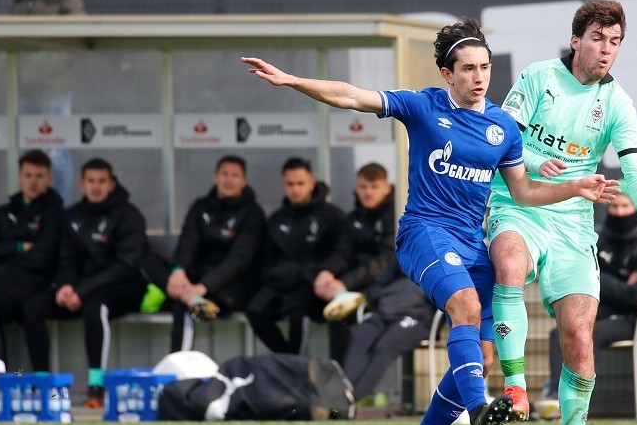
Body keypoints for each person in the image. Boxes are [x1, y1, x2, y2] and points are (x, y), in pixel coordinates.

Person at [242, 16, 618, 425]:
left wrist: (576, 187)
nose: (479, 78)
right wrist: (291, 80)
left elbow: (524, 192)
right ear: (448, 74)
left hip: (470, 242)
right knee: (464, 305)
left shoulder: (503, 126)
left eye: (485, 68)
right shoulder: (423, 106)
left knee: (482, 354)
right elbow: (351, 95)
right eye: (468, 69)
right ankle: (479, 412)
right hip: (423, 232)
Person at [486, 0, 637, 425]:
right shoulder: (539, 78)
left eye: (615, 41)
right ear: (576, 40)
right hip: (517, 203)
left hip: (573, 224)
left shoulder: (617, 103)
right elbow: (502, 135)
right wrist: (534, 164)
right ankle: (515, 386)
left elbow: (634, 170)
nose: (606, 49)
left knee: (578, 336)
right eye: (597, 38)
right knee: (510, 266)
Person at [29, 158, 149, 407]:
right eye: (91, 181)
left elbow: (124, 266)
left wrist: (81, 292)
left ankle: (96, 386)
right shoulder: (72, 216)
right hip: (80, 290)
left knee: (96, 306)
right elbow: (66, 259)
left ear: (111, 184)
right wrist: (65, 286)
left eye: (102, 181)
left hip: (124, 287)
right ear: (81, 184)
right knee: (32, 307)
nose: (96, 187)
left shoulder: (129, 215)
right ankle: (42, 384)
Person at [314, 162, 435, 403]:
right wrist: (371, 298)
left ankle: (346, 400)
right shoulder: (404, 238)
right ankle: (339, 394)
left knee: (384, 347)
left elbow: (439, 288)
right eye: (363, 186)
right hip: (382, 308)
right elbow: (383, 274)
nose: (368, 192)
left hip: (417, 316)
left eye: (374, 186)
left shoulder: (434, 245)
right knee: (360, 338)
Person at [540, 186, 637, 414]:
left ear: (635, 209)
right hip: (602, 310)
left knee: (585, 335)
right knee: (562, 330)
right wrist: (617, 281)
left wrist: (601, 279)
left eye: (625, 206)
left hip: (635, 321)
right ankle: (554, 394)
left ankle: (576, 403)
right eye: (614, 206)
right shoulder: (599, 240)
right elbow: (582, 277)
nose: (618, 212)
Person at [244, 157, 349, 363]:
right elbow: (267, 262)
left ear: (311, 183)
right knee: (255, 310)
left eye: (300, 183)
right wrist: (279, 275)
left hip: (316, 286)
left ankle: (296, 370)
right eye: (290, 184)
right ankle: (288, 360)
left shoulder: (332, 216)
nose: (295, 189)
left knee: (297, 312)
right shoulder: (277, 219)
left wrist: (321, 274)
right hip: (284, 283)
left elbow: (342, 254)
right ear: (283, 185)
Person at [0, 150, 64, 369]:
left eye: (39, 176)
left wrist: (2, 255)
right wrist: (19, 246)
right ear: (19, 177)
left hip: (31, 286)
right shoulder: (4, 212)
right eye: (28, 175)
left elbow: (42, 257)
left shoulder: (54, 212)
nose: (33, 182)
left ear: (49, 180)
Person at [166, 155, 265, 352]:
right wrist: (178, 271)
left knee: (184, 305)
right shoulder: (200, 207)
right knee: (159, 271)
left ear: (244, 181)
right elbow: (187, 242)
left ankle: (182, 373)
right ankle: (179, 373)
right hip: (194, 283)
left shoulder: (253, 213)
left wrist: (203, 287)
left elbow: (240, 260)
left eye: (235, 175)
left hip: (232, 286)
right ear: (215, 177)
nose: (229, 180)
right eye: (224, 174)